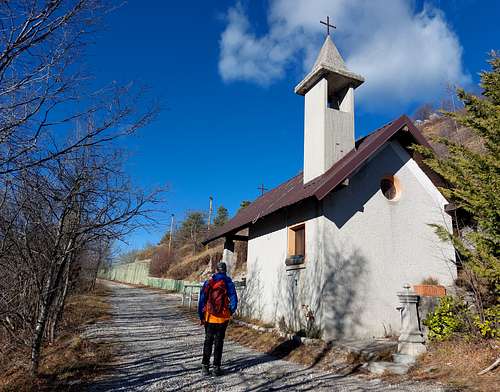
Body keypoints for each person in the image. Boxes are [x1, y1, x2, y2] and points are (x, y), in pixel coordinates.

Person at [198, 261, 238, 376]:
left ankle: (205, 367)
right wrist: (229, 311)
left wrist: (202, 316)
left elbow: (202, 301)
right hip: (222, 318)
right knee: (219, 342)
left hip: (209, 317)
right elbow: (234, 300)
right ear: (225, 271)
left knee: (208, 341)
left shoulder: (209, 282)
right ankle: (216, 368)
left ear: (216, 270)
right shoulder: (228, 282)